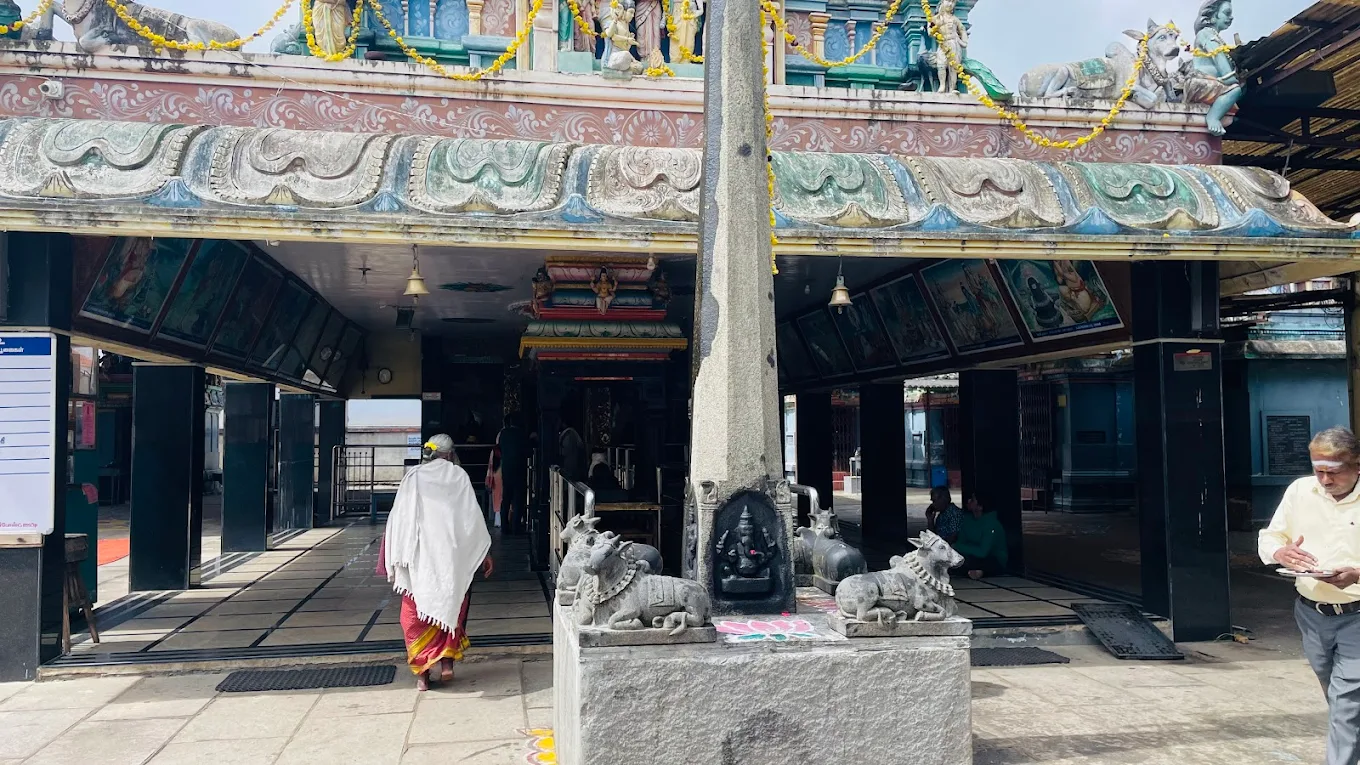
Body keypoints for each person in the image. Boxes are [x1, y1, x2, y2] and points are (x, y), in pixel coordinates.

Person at [1259, 427, 1360, 765]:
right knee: (1338, 696)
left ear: (1357, 465)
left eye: (1334, 472)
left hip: (1357, 614)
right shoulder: (1300, 491)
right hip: (1311, 614)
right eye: (1319, 471)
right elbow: (1271, 537)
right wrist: (1280, 553)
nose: (1325, 480)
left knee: (1347, 702)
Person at [381, 434, 493, 691]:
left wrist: (396, 557)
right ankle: (446, 664)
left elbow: (397, 519)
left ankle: (422, 675)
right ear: (451, 454)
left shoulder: (413, 477)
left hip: (420, 558)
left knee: (413, 614)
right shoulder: (459, 476)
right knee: (452, 604)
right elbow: (472, 520)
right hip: (451, 558)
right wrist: (484, 552)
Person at [951, 492, 1008, 580]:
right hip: (971, 555)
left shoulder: (991, 523)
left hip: (992, 558)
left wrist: (959, 547)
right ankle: (974, 571)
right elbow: (960, 543)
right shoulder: (967, 520)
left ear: (980, 506)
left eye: (973, 500)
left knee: (988, 563)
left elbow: (983, 552)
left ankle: (979, 571)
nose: (969, 501)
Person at [497, 416, 530, 534]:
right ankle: (516, 526)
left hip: (506, 468)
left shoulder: (503, 434)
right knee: (518, 499)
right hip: (519, 469)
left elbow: (499, 448)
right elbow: (527, 451)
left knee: (506, 498)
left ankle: (504, 526)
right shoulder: (522, 434)